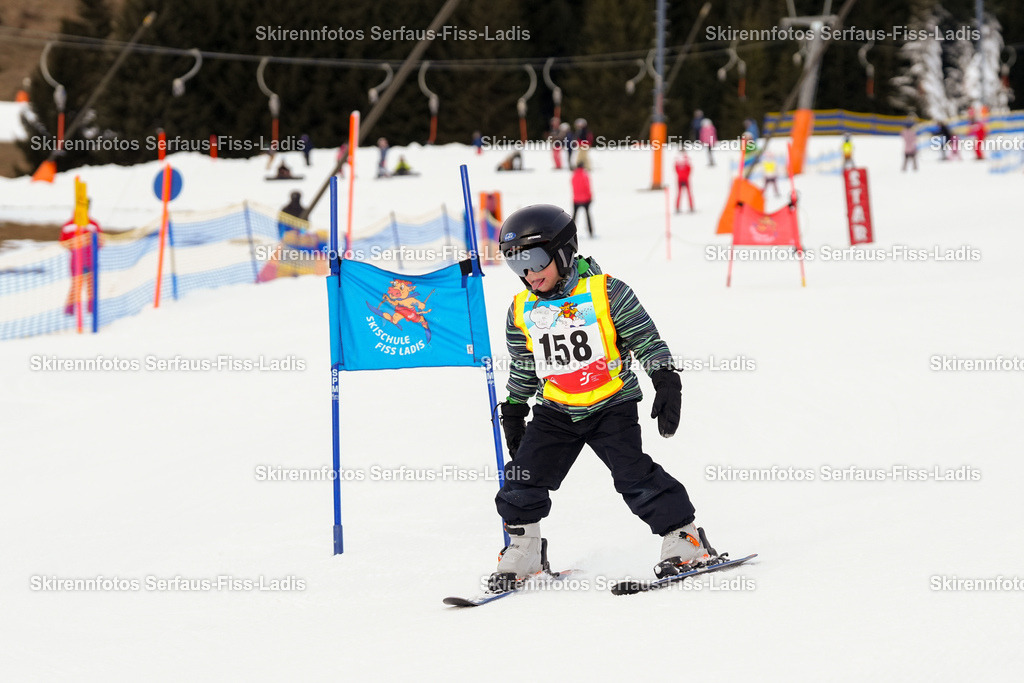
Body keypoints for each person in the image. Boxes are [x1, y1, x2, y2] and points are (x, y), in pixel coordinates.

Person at [489, 204, 710, 592]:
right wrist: (514, 408)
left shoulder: (607, 292)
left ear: (563, 251)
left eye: (536, 260)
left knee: (632, 474)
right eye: (516, 264)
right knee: (522, 477)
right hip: (557, 408)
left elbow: (646, 339)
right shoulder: (522, 308)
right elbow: (524, 362)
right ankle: (524, 548)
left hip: (612, 403)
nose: (529, 274)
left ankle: (684, 537)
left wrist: (665, 378)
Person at [60, 202, 102, 316]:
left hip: (91, 261)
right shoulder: (69, 225)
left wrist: (92, 246)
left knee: (91, 286)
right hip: (76, 261)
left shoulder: (93, 225)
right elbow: (63, 242)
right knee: (75, 285)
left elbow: (101, 242)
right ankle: (69, 311)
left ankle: (92, 309)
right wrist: (74, 245)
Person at [571, 165, 594, 237]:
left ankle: (570, 232)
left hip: (576, 199)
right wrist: (590, 197)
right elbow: (587, 187)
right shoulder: (585, 175)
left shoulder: (574, 176)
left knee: (574, 217)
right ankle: (590, 232)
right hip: (585, 199)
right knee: (587, 216)